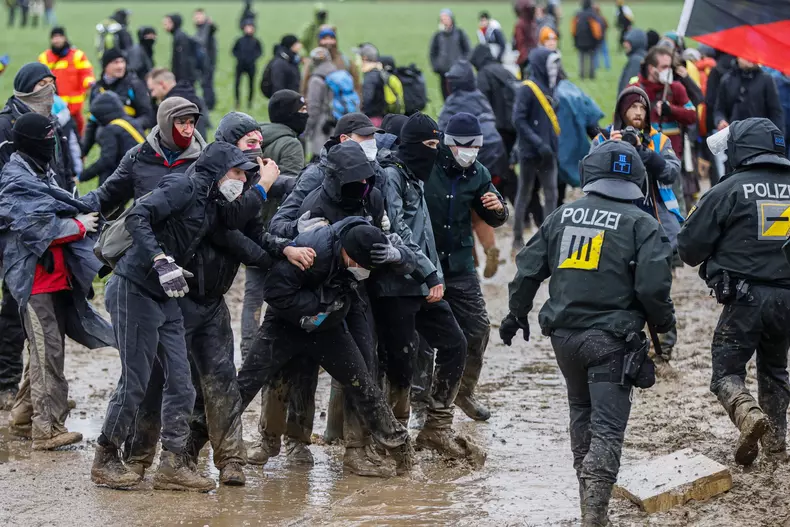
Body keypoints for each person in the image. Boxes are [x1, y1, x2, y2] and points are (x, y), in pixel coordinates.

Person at [501, 140, 674, 525]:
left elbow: (528, 270)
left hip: (564, 339)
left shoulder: (562, 215)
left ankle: (588, 504)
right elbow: (653, 288)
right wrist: (664, 325)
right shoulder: (642, 223)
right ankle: (594, 517)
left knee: (581, 412)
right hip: (612, 341)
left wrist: (516, 315)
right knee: (608, 430)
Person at [90, 141, 264, 492]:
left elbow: (243, 241)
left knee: (182, 383)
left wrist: (283, 251)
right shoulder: (181, 186)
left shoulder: (214, 204)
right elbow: (139, 216)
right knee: (137, 381)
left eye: (246, 176)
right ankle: (105, 456)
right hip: (133, 287)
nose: (241, 181)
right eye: (237, 173)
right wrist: (158, 258)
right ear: (217, 170)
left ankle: (172, 464)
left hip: (166, 294)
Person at [679, 119, 790, 465]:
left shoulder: (728, 190)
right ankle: (776, 447)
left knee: (726, 372)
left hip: (744, 299)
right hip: (787, 300)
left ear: (743, 149)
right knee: (775, 369)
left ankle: (747, 414)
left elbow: (688, 247)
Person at [0, 113, 114, 449]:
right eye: (47, 137)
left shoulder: (41, 174)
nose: (52, 143)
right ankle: (46, 428)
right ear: (31, 142)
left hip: (56, 280)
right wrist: (79, 226)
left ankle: (23, 415)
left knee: (45, 350)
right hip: (34, 283)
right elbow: (34, 229)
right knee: (48, 353)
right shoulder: (15, 181)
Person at [376, 113, 484, 463]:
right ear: (412, 145)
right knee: (400, 363)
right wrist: (429, 273)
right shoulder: (391, 176)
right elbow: (396, 230)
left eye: (439, 147)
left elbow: (424, 234)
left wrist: (432, 272)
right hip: (397, 285)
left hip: (422, 282)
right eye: (431, 146)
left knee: (456, 343)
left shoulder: (415, 176)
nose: (435, 154)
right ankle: (393, 436)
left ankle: (437, 425)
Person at [421, 113, 508, 421]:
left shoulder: (479, 172)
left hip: (460, 263)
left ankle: (463, 389)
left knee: (478, 328)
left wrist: (499, 210)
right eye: (463, 146)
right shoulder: (428, 163)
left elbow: (495, 214)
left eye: (475, 146)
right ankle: (422, 398)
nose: (469, 151)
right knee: (423, 335)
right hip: (424, 262)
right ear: (448, 144)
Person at [92, 97, 207, 218]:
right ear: (166, 123)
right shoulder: (138, 156)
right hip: (143, 233)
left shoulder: (206, 160)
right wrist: (75, 208)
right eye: (182, 123)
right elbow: (108, 195)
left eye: (191, 122)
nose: (188, 130)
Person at [512, 47, 562, 252]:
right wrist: (537, 143)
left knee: (551, 193)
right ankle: (517, 238)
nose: (555, 70)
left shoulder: (549, 87)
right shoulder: (527, 88)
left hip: (548, 152)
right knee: (524, 193)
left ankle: (548, 238)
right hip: (530, 153)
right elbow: (518, 119)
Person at [629, 47, 697, 176]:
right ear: (651, 68)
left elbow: (692, 115)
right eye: (664, 67)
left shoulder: (675, 88)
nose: (668, 71)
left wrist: (671, 110)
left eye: (670, 67)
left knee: (675, 195)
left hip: (671, 157)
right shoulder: (635, 89)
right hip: (643, 156)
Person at [82, 49, 154, 158]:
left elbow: (148, 116)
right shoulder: (97, 89)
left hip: (131, 147)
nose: (120, 66)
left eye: (122, 62)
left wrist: (126, 129)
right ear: (105, 65)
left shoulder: (135, 85)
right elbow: (93, 122)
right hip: (107, 147)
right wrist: (83, 152)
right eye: (115, 62)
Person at [38, 26, 95, 135]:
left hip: (74, 107)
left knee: (78, 136)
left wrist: (89, 83)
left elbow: (86, 72)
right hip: (53, 108)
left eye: (60, 36)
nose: (57, 40)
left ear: (65, 38)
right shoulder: (44, 57)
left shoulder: (78, 55)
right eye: (54, 37)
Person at [80, 92, 144, 185]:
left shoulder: (110, 129)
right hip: (146, 169)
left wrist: (83, 176)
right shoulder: (132, 122)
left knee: (106, 177)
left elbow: (107, 160)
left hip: (131, 174)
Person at [714, 57, 784, 135]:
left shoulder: (766, 80)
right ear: (738, 57)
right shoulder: (727, 79)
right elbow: (719, 109)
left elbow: (776, 113)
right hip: (733, 137)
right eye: (746, 54)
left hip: (759, 137)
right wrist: (720, 121)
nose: (750, 57)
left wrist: (778, 139)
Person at [145, 68, 209, 139]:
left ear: (162, 85)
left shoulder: (171, 105)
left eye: (152, 90)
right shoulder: (191, 96)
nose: (152, 95)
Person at [303, 47, 338, 158]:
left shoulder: (316, 79)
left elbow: (314, 107)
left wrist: (307, 128)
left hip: (322, 123)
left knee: (319, 158)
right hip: (337, 119)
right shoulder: (338, 74)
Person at [429, 9, 471, 100]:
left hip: (458, 74)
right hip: (443, 73)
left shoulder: (460, 33)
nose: (444, 21)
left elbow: (468, 51)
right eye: (442, 19)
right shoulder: (437, 36)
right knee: (446, 98)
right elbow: (432, 52)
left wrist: (463, 65)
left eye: (446, 18)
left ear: (451, 19)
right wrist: (436, 66)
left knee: (459, 98)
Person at [232, 21, 263, 110]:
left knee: (251, 85)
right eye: (247, 27)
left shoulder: (256, 41)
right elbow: (233, 51)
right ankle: (237, 102)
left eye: (251, 27)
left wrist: (253, 58)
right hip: (240, 65)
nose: (249, 29)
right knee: (237, 84)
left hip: (251, 65)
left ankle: (250, 102)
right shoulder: (239, 40)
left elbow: (260, 52)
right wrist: (239, 57)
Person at [571, 0, 603, 80]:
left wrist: (575, 39)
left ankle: (582, 75)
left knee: (581, 59)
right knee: (591, 58)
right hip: (591, 42)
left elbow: (573, 29)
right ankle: (591, 75)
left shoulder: (578, 14)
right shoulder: (592, 15)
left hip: (580, 41)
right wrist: (598, 41)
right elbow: (597, 30)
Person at [193, 8, 217, 111]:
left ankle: (209, 105)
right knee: (204, 84)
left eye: (199, 16)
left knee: (207, 84)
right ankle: (208, 104)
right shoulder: (199, 29)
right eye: (196, 17)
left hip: (208, 62)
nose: (197, 18)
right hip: (201, 62)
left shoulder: (207, 27)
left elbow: (213, 28)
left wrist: (210, 24)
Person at [163, 14, 197, 85]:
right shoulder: (178, 35)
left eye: (166, 23)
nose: (164, 26)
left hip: (184, 77)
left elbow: (182, 60)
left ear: (174, 23)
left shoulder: (180, 37)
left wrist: (181, 80)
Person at [617, 28, 646, 96]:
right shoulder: (641, 58)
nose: (625, 44)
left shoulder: (636, 61)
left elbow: (628, 85)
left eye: (628, 42)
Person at [513, 0, 538, 77]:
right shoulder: (525, 23)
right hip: (528, 56)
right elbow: (520, 42)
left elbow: (520, 42)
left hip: (528, 56)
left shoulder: (526, 22)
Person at [592, 4, 610, 72]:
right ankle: (607, 66)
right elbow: (607, 26)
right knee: (605, 53)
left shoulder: (593, 19)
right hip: (603, 38)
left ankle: (596, 66)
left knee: (596, 53)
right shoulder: (602, 18)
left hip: (596, 40)